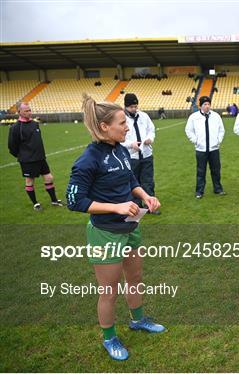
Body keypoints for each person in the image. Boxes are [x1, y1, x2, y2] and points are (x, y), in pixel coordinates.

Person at [66, 94, 166, 361]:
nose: (127, 127)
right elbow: (74, 201)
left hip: (130, 227)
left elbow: (130, 179)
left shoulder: (121, 150)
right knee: (109, 290)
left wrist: (144, 196)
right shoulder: (88, 159)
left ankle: (138, 319)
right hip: (105, 232)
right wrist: (117, 207)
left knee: (135, 279)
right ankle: (109, 338)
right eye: (122, 123)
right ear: (104, 128)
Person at [8, 101, 63, 211]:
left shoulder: (34, 123)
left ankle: (54, 201)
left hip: (41, 158)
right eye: (26, 111)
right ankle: (35, 204)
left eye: (30, 110)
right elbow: (12, 147)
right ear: (19, 112)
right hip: (28, 160)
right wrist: (23, 156)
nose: (29, 112)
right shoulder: (15, 127)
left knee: (49, 178)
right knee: (29, 181)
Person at [121, 93, 160, 215]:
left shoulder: (144, 116)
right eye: (131, 106)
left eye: (135, 106)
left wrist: (150, 139)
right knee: (133, 183)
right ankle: (136, 207)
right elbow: (119, 139)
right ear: (126, 106)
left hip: (147, 155)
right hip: (131, 157)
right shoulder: (122, 119)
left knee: (148, 181)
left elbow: (151, 130)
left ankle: (150, 206)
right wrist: (131, 144)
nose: (134, 109)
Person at [185, 96, 226, 199]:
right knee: (201, 171)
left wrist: (218, 140)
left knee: (216, 170)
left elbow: (221, 130)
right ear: (200, 106)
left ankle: (218, 188)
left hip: (214, 149)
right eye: (205, 104)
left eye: (208, 104)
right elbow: (188, 130)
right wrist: (196, 141)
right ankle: (199, 191)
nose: (207, 106)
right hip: (201, 149)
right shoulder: (194, 117)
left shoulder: (216, 116)